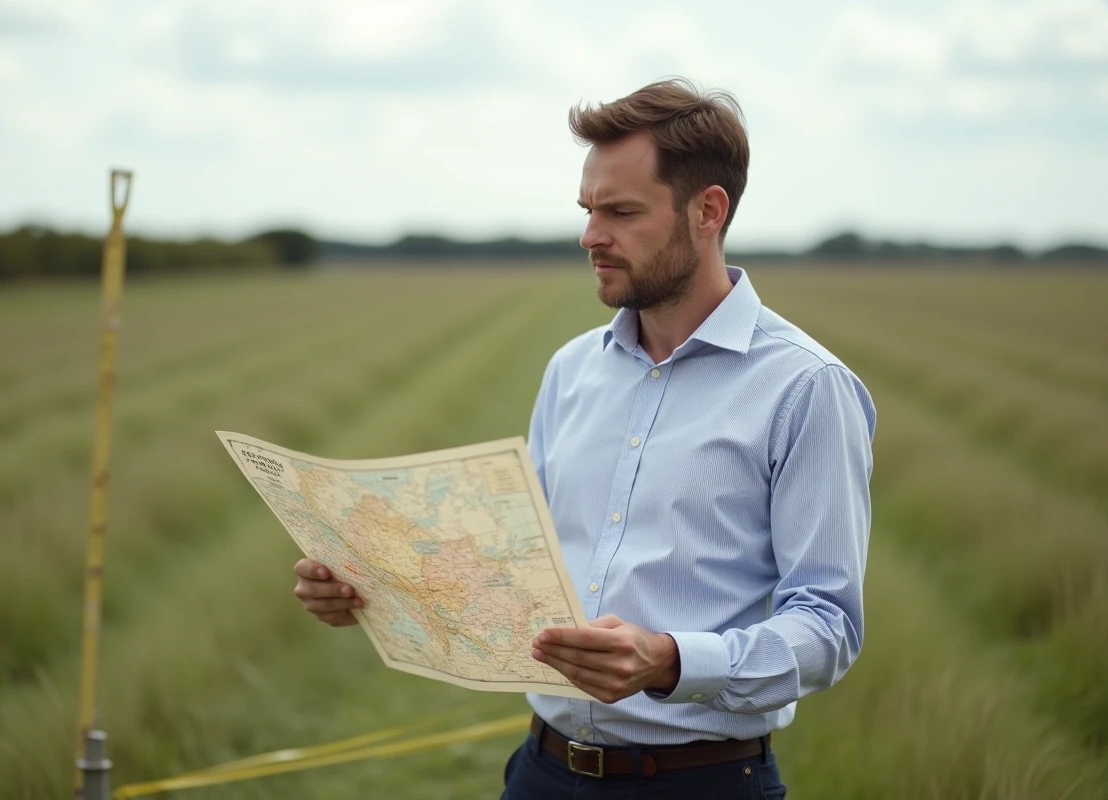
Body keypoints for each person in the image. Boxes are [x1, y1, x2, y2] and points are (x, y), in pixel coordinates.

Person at [294, 77, 876, 799]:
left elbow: (827, 626)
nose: (591, 236)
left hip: (702, 783)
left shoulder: (805, 387)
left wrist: (670, 659)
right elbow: (519, 570)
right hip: (540, 772)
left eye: (621, 212)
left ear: (708, 211)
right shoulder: (571, 371)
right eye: (588, 210)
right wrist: (372, 586)